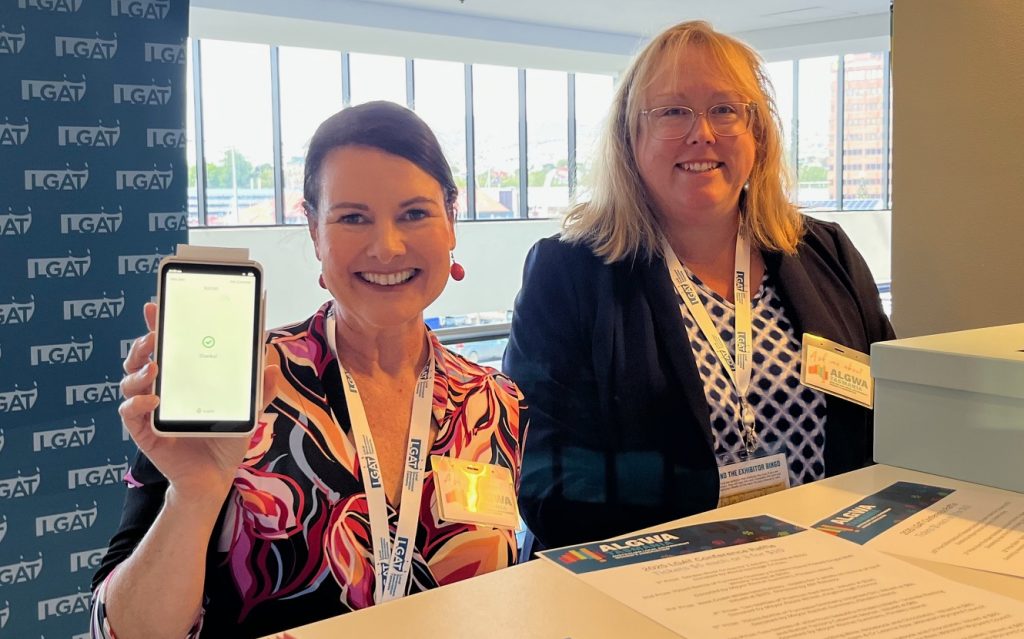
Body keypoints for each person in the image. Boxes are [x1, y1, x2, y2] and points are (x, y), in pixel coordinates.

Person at [92, 101, 526, 638]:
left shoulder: (494, 402)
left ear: (452, 222)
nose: (387, 247)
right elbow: (123, 632)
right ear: (314, 231)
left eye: (415, 214)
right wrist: (195, 496)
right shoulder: (248, 383)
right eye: (353, 218)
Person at [504, 21, 894, 551]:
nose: (702, 133)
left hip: (828, 563)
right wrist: (715, 509)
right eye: (672, 112)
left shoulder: (827, 253)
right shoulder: (570, 272)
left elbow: (890, 417)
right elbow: (547, 478)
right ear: (629, 139)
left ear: (758, 134)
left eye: (725, 109)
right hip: (650, 580)